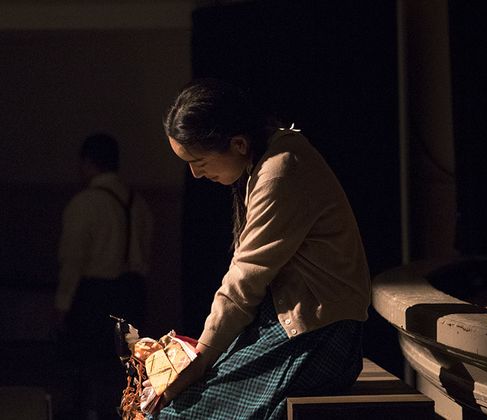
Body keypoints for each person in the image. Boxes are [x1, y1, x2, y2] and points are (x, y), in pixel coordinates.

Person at [155, 78, 371, 419]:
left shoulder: (280, 169)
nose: (195, 174)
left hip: (318, 337)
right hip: (294, 326)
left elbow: (244, 279)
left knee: (176, 413)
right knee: (168, 404)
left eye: (200, 161)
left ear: (239, 143)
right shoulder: (269, 156)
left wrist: (199, 359)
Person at [56, 132, 153, 420]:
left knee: (88, 367)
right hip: (133, 292)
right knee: (125, 367)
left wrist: (61, 305)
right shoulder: (139, 203)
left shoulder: (85, 202)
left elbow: (72, 259)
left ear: (87, 162)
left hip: (95, 295)